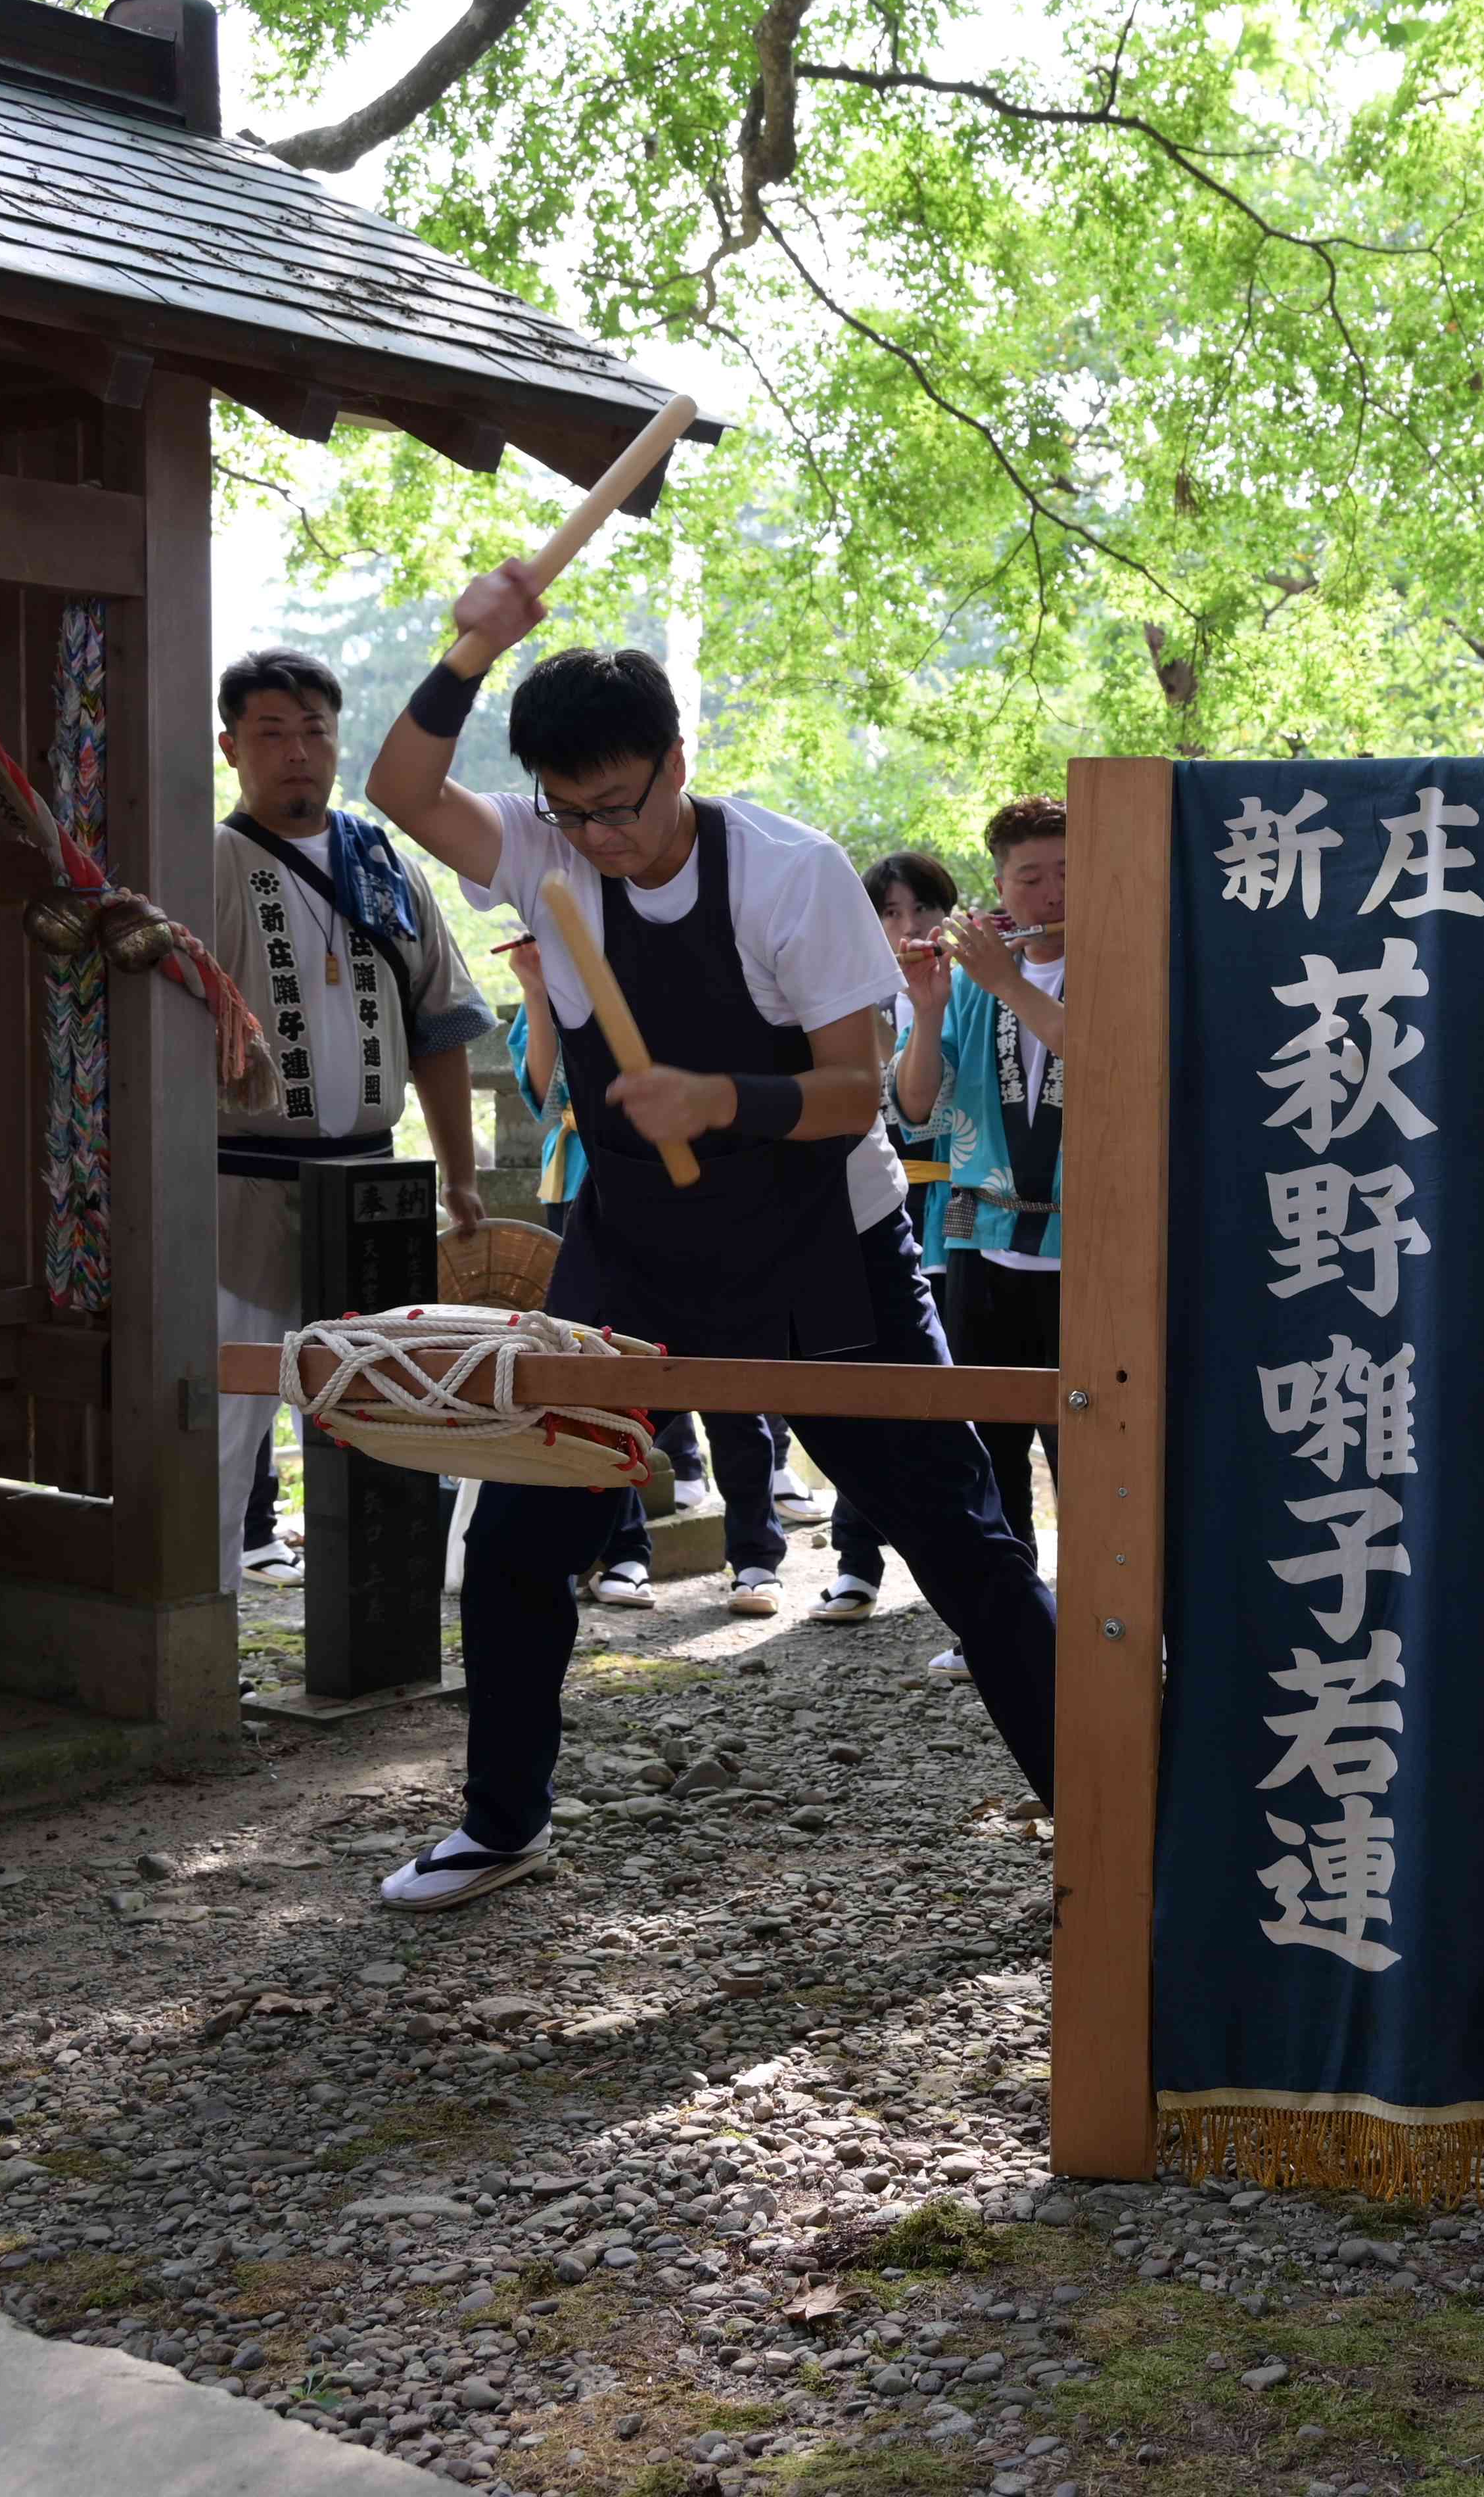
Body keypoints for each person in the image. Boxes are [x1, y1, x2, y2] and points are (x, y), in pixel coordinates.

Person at [358, 569, 1059, 1909]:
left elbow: (854, 1093)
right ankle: (502, 1822)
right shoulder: (544, 851)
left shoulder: (791, 875)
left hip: (824, 1247)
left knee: (961, 1540)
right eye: (572, 810)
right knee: (518, 1536)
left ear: (677, 760)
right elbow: (401, 787)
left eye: (621, 804)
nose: (600, 837)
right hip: (630, 1248)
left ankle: (1111, 1813)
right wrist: (473, 649)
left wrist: (718, 1099)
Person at [207, 646, 491, 1590]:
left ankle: (382, 1619)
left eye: (314, 731)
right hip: (241, 1184)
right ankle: (201, 1631)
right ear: (230, 747)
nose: (297, 752)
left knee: (381, 1408)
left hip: (374, 1185)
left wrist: (459, 1174)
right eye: (271, 733)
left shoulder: (386, 864)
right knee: (230, 1412)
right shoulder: (205, 863)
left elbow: (441, 1027)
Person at [501, 933, 772, 1615]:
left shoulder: (692, 965)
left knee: (729, 1379)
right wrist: (537, 989)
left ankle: (755, 1554)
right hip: (596, 1195)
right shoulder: (563, 975)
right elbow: (546, 1096)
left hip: (705, 1194)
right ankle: (623, 1549)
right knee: (602, 1381)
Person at [898, 798, 1071, 1558]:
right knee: (988, 1441)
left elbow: (1109, 1059)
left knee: (1089, 1442)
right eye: (1030, 877)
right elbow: (916, 1109)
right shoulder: (972, 981)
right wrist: (928, 1009)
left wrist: (1006, 982)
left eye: (1067, 872)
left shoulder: (1126, 961)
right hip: (977, 1226)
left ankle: (1106, 1605)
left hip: (1089, 1238)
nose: (1052, 893)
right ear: (1000, 887)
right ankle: (1013, 1603)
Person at [816, 849, 966, 1620]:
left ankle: (973, 1568)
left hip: (963, 1210)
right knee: (861, 1382)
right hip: (876, 1208)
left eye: (923, 909)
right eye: (890, 912)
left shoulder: (979, 984)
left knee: (945, 1384)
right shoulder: (853, 1000)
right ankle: (856, 1558)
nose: (909, 927)